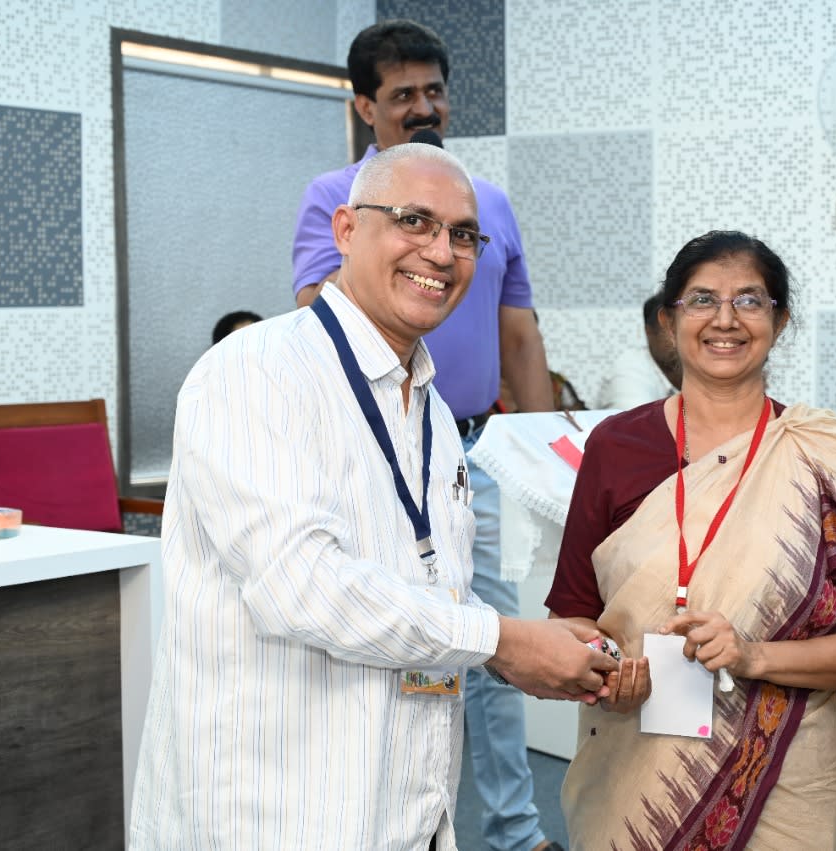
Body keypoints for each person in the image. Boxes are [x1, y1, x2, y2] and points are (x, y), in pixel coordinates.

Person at [130, 145, 617, 850]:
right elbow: (301, 586)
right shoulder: (257, 370)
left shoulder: (435, 413)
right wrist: (503, 641)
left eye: (463, 234)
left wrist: (525, 647)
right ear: (346, 230)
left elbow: (428, 589)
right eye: (413, 220)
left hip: (404, 808)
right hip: (272, 815)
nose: (441, 252)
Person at [546, 231, 836, 849]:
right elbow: (571, 615)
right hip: (633, 766)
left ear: (780, 321)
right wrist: (605, 673)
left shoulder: (823, 455)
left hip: (788, 775)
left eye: (749, 300)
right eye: (702, 299)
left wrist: (753, 657)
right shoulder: (616, 446)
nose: (725, 320)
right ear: (669, 320)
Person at [290, 20, 562, 851]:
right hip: (378, 449)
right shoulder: (336, 198)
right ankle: (393, 826)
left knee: (494, 636)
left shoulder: (489, 203)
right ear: (364, 107)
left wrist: (543, 451)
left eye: (434, 91)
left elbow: (520, 336)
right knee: (404, 639)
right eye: (401, 94)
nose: (423, 108)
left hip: (478, 451)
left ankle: (514, 830)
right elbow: (317, 325)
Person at [594, 293, 681, 409]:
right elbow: (638, 419)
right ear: (649, 331)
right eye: (671, 329)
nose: (681, 337)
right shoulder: (630, 370)